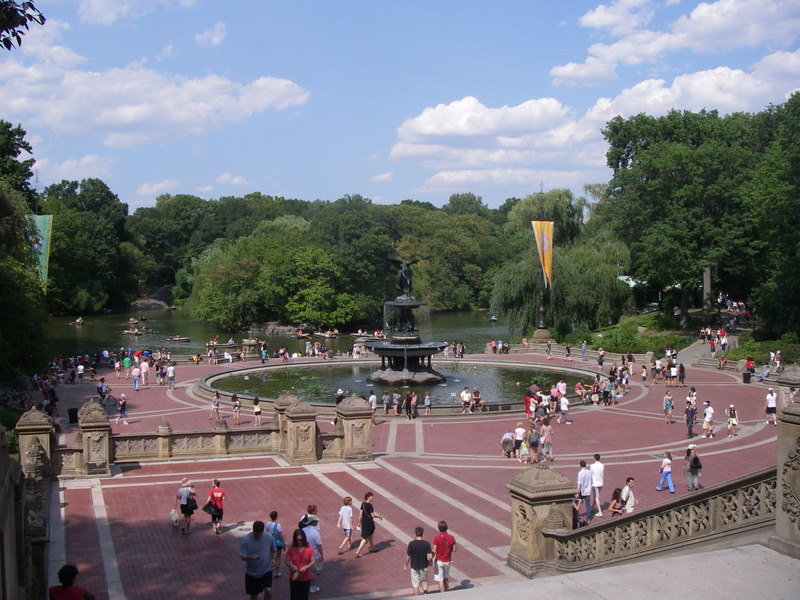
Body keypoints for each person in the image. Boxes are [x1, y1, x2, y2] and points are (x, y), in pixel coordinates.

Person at [239, 521, 277, 600]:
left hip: (266, 570)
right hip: (252, 572)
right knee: (254, 595)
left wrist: (273, 559)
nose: (258, 535)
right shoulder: (245, 540)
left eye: (260, 533)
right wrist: (250, 557)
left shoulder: (268, 537)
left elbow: (274, 550)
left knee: (268, 590)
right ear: (253, 530)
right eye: (257, 533)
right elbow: (242, 556)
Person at [285, 529, 315, 600]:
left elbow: (313, 561)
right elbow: (286, 561)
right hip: (294, 577)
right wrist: (291, 566)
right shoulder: (291, 548)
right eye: (297, 540)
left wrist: (306, 567)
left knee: (304, 597)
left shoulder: (309, 549)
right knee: (294, 596)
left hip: (306, 578)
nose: (299, 542)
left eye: (301, 540)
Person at [404, 526, 432, 596]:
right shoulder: (426, 544)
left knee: (415, 585)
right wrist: (430, 563)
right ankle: (426, 594)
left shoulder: (411, 544)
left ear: (415, 533)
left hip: (414, 566)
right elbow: (429, 556)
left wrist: (405, 565)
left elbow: (408, 556)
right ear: (422, 533)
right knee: (424, 581)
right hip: (424, 566)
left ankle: (417, 597)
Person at [354, 491, 383, 557]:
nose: (373, 498)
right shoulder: (370, 505)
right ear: (368, 497)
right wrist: (378, 516)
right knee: (365, 538)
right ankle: (358, 551)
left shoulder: (363, 504)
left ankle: (372, 547)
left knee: (370, 535)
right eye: (372, 497)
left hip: (364, 522)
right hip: (369, 522)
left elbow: (361, 514)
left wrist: (359, 523)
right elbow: (372, 515)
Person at [300, 515, 323, 594]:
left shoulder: (303, 530)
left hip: (303, 554)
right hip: (314, 554)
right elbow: (319, 545)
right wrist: (322, 555)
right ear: (313, 522)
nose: (317, 522)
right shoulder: (315, 532)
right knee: (313, 571)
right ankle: (312, 586)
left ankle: (304, 585)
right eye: (316, 521)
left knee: (305, 571)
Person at [432, 520, 456, 593]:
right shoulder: (452, 537)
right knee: (445, 577)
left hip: (439, 561)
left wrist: (430, 558)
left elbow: (434, 550)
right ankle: (446, 590)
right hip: (448, 560)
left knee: (440, 579)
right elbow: (454, 549)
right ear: (447, 528)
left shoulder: (437, 538)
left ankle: (443, 595)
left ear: (438, 528)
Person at [265, 511, 285, 577]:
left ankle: (269, 570)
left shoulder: (267, 524)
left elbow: (267, 532)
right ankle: (277, 572)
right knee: (278, 558)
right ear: (276, 517)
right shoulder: (278, 525)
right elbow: (281, 535)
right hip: (277, 543)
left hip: (270, 542)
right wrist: (283, 542)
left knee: (271, 557)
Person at [590, 454, 604, 518]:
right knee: (596, 496)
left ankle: (600, 512)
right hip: (600, 482)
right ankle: (592, 507)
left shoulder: (592, 466)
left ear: (594, 458)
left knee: (596, 497)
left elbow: (590, 474)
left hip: (595, 483)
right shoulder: (602, 465)